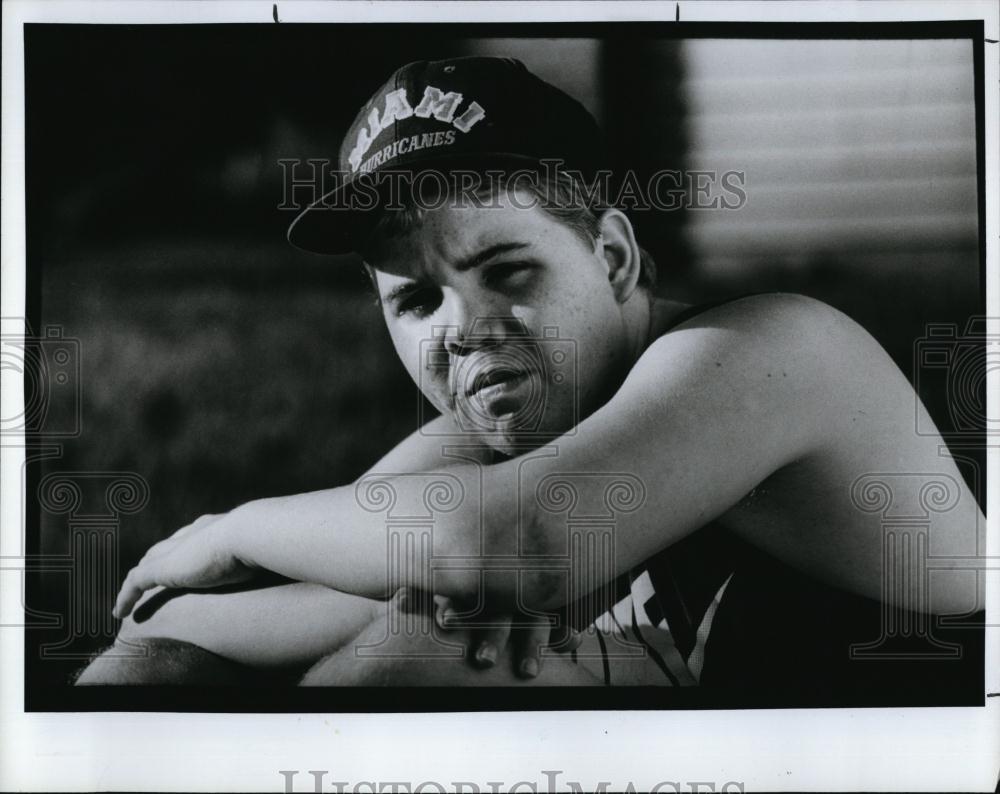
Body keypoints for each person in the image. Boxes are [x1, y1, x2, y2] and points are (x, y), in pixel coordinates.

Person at [77, 56, 984, 692]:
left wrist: (231, 530)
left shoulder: (775, 348)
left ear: (617, 257)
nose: (466, 331)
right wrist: (171, 633)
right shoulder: (490, 444)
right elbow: (182, 627)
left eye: (508, 271)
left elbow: (519, 544)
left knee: (425, 653)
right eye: (417, 302)